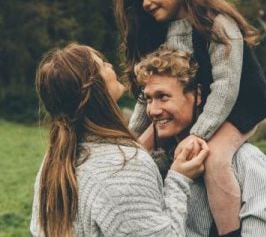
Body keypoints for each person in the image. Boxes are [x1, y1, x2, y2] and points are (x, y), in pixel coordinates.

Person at [114, 0, 266, 235]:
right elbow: (147, 92)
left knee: (215, 159)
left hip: (238, 108)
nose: (146, 2)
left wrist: (199, 134)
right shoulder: (162, 31)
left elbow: (225, 87)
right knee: (136, 154)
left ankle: (229, 232)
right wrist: (129, 138)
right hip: (197, 107)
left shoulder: (217, 24)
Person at [30, 43, 209, 237]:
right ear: (95, 88)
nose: (110, 65)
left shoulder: (53, 162)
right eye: (103, 64)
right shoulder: (123, 164)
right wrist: (179, 180)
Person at [135, 46, 266, 237]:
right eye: (149, 99)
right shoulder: (154, 164)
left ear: (198, 95)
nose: (153, 110)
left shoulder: (247, 162)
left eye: (163, 97)